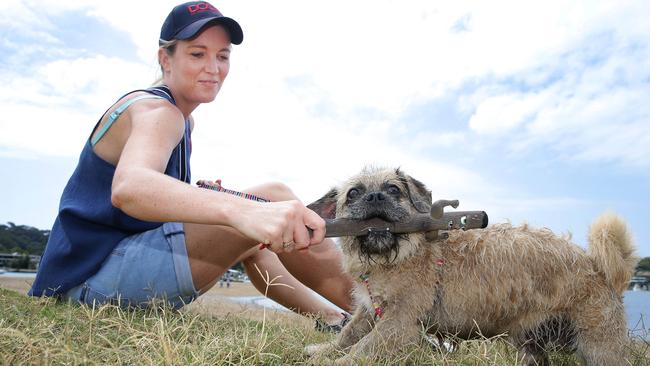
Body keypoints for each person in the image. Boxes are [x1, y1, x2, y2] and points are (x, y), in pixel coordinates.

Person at [29, 1, 353, 329]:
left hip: (86, 275)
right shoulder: (159, 111)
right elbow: (130, 188)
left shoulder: (179, 120)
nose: (213, 67)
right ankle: (379, 309)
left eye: (222, 55)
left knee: (259, 222)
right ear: (165, 59)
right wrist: (240, 209)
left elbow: (144, 207)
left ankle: (336, 317)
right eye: (198, 54)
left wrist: (215, 204)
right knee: (271, 199)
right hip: (87, 282)